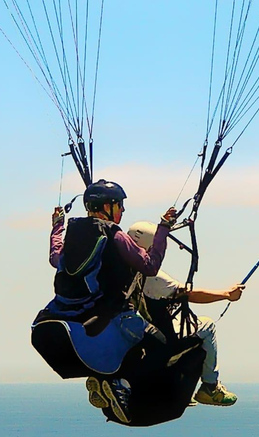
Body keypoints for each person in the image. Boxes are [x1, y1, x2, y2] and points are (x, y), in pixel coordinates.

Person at [33, 179, 176, 423]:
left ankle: (104, 379)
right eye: (119, 205)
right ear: (108, 206)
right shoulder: (115, 235)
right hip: (104, 314)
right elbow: (149, 267)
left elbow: (55, 258)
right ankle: (120, 384)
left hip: (61, 316)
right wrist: (163, 229)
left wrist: (57, 226)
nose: (121, 211)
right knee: (161, 345)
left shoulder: (74, 233)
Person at [127, 221, 245, 407]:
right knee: (207, 326)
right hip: (161, 336)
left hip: (138, 333)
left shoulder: (121, 268)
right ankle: (209, 386)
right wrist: (227, 295)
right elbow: (190, 294)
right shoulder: (155, 277)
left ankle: (176, 385)